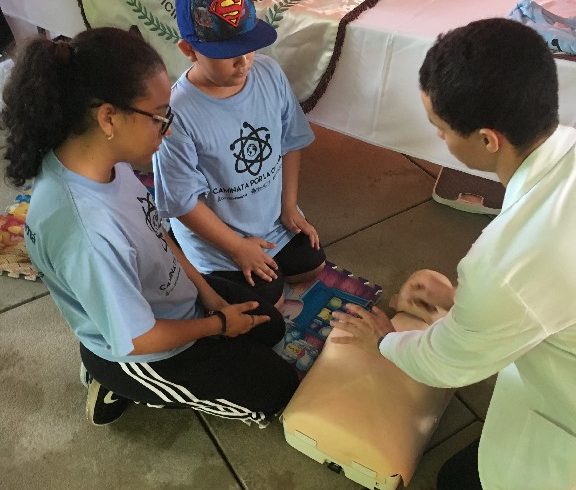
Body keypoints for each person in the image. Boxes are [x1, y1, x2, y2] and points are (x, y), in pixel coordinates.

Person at [2, 27, 298, 428]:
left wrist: (210, 297)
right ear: (109, 117)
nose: (170, 129)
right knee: (279, 393)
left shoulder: (105, 158)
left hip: (172, 300)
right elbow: (139, 339)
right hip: (144, 350)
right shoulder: (84, 230)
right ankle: (114, 379)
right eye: (160, 117)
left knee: (270, 327)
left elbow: (159, 233)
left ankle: (139, 343)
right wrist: (220, 325)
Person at [330, 18, 576, 490]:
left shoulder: (505, 262)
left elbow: (447, 363)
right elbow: (544, 292)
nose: (439, 140)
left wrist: (382, 340)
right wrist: (464, 300)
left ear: (487, 139)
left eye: (440, 130)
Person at [152, 0, 326, 309]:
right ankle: (191, 254)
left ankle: (264, 241)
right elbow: (181, 202)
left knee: (313, 265)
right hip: (220, 243)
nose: (244, 63)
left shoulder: (269, 73)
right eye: (227, 55)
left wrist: (289, 207)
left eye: (248, 48)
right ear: (188, 50)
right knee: (271, 302)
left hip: (272, 220)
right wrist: (236, 247)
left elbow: (291, 141)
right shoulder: (177, 114)